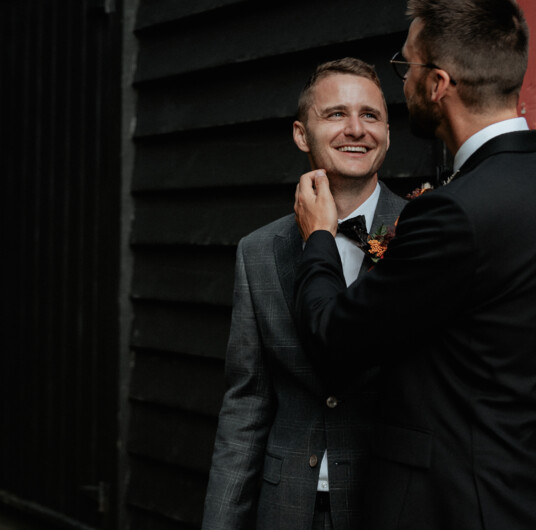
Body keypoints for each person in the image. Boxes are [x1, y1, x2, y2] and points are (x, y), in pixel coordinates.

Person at [293, 1, 536, 529]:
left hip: (459, 510)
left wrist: (320, 237)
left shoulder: (454, 212)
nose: (404, 83)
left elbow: (336, 338)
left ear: (438, 83)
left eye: (407, 67)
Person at [202, 58, 406, 530]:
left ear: (388, 133)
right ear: (300, 134)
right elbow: (246, 405)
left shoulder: (425, 232)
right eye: (335, 114)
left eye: (371, 115)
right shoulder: (258, 252)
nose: (356, 129)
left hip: (390, 504)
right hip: (286, 508)